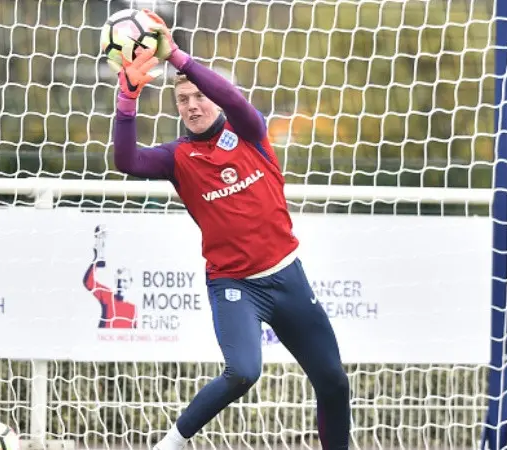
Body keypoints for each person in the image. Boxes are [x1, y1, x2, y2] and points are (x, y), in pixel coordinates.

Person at [110, 10, 351, 450]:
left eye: (200, 96)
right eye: (183, 101)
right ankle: (171, 443)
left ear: (216, 100)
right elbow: (126, 161)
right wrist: (127, 99)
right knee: (243, 371)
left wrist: (180, 59)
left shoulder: (249, 132)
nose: (193, 105)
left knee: (334, 383)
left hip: (287, 277)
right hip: (234, 283)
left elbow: (237, 101)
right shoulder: (177, 157)